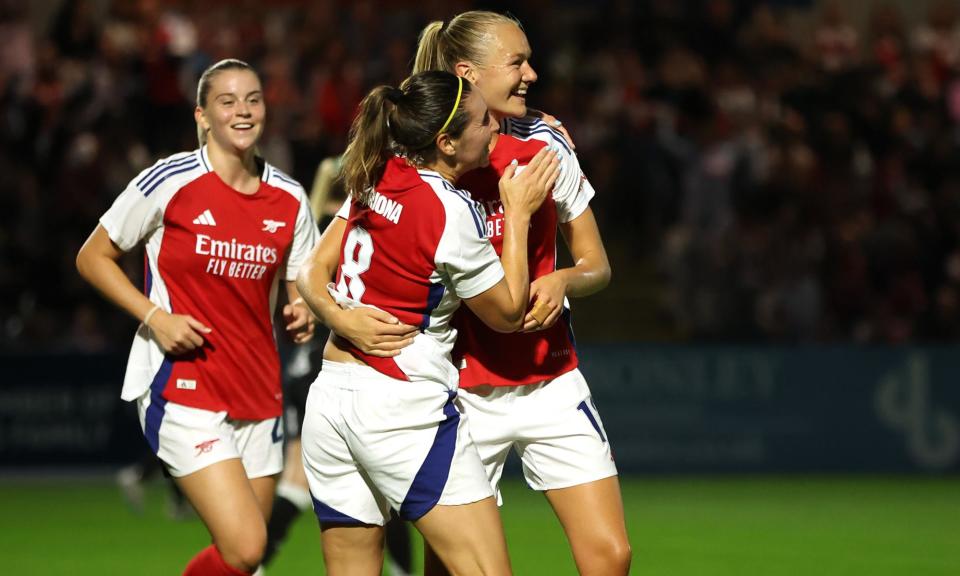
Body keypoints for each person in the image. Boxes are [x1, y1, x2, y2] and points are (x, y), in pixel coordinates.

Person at [296, 70, 559, 576]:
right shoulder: (448, 209)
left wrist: (339, 318)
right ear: (446, 142)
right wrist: (518, 215)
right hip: (401, 406)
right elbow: (507, 313)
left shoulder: (378, 172)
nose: (494, 129)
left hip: (329, 402)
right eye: (484, 122)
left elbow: (310, 269)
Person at [76, 58, 318, 576]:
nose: (243, 110)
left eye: (253, 99)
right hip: (183, 385)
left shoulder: (291, 198)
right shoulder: (169, 180)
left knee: (245, 561)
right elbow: (92, 257)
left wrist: (303, 311)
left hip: (259, 389)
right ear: (202, 117)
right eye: (227, 101)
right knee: (248, 546)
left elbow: (298, 290)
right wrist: (155, 316)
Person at [411, 12, 631, 576]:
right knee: (450, 569)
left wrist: (563, 279)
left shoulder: (546, 142)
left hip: (550, 379)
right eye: (517, 62)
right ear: (468, 72)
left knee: (612, 556)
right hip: (460, 393)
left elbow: (597, 264)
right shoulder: (431, 155)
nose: (532, 73)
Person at [260, 156, 414, 576]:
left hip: (303, 363)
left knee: (297, 479)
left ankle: (254, 561)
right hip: (340, 356)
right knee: (387, 477)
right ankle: (402, 568)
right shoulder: (362, 217)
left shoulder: (306, 224)